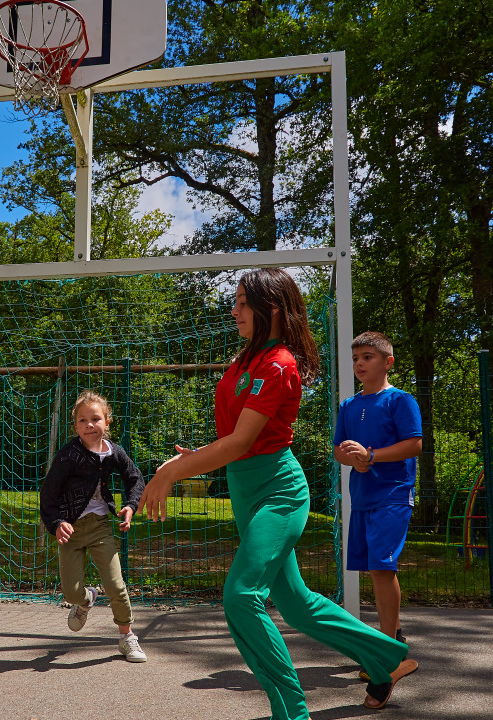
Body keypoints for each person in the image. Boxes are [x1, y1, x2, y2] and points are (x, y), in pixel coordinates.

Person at [139, 269, 417, 716]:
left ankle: (291, 711)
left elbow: (242, 442)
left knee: (241, 595)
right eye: (236, 301)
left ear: (271, 307)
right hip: (245, 489)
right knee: (298, 605)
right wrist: (198, 454)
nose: (235, 310)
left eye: (244, 302)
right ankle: (387, 656)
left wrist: (174, 469)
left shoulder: (279, 363)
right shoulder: (244, 358)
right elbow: (235, 438)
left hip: (279, 492)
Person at [332, 331, 422, 678]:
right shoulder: (349, 406)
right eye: (356, 358)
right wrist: (352, 458)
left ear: (388, 362)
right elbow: (339, 448)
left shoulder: (400, 400)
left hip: (394, 494)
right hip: (364, 498)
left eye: (368, 357)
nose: (359, 364)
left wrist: (371, 455)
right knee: (373, 569)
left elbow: (413, 444)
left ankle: (390, 649)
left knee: (383, 567)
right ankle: (392, 640)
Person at [39, 390, 149, 663]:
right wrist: (56, 523)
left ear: (107, 422)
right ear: (75, 425)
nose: (89, 425)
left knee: (116, 585)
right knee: (70, 592)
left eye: (95, 419)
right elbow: (48, 494)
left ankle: (127, 637)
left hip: (100, 526)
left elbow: (135, 478)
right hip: (71, 529)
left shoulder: (114, 453)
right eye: (82, 420)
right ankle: (87, 598)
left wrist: (130, 506)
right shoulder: (68, 456)